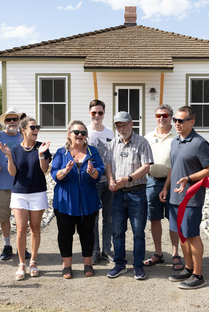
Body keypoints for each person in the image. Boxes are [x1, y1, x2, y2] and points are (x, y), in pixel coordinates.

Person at [163, 106, 209, 289]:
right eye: (175, 120)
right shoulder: (174, 141)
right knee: (182, 235)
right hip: (174, 198)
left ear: (192, 122)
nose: (176, 123)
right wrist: (165, 188)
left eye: (180, 120)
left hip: (191, 198)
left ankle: (198, 276)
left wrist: (190, 178)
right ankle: (188, 268)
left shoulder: (200, 143)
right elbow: (173, 167)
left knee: (192, 235)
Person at [0, 116, 52, 281]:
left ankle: (33, 261)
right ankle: (22, 263)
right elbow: (13, 173)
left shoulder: (42, 147)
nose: (36, 130)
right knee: (21, 229)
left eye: (37, 127)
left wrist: (42, 155)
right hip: (19, 193)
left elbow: (45, 170)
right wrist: (8, 156)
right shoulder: (14, 150)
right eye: (32, 128)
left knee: (35, 229)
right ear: (23, 131)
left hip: (37, 192)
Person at [51, 120, 104, 279]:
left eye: (83, 133)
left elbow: (98, 174)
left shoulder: (92, 152)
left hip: (88, 201)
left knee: (87, 233)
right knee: (65, 233)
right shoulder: (61, 153)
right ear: (69, 135)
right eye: (76, 132)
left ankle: (87, 263)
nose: (80, 135)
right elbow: (55, 175)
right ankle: (67, 265)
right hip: (65, 201)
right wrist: (65, 171)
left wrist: (92, 171)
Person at [105, 111, 153, 280]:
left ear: (131, 124)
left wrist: (129, 178)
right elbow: (108, 164)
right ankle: (120, 264)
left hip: (137, 193)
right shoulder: (112, 143)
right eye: (118, 126)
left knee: (138, 231)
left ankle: (138, 265)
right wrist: (111, 179)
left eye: (124, 125)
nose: (121, 128)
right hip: (118, 194)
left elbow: (146, 166)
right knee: (117, 231)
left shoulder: (142, 142)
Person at [143, 104, 183, 271]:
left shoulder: (178, 137)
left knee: (173, 219)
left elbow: (177, 163)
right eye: (159, 115)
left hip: (172, 183)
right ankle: (158, 253)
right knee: (154, 219)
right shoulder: (147, 137)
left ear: (171, 118)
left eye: (165, 115)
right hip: (151, 181)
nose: (161, 118)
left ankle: (175, 254)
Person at [0, 107, 31, 261]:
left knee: (22, 220)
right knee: (3, 217)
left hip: (21, 185)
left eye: (15, 119)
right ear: (4, 122)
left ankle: (23, 247)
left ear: (19, 121)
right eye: (8, 119)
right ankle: (7, 246)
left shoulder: (25, 136)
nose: (12, 122)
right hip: (2, 185)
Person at [87, 99, 115, 265]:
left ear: (104, 113)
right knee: (93, 218)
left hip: (108, 180)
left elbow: (112, 157)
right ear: (89, 113)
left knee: (108, 217)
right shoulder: (86, 132)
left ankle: (107, 249)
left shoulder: (110, 133)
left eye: (100, 112)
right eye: (94, 112)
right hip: (92, 182)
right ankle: (95, 250)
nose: (97, 115)